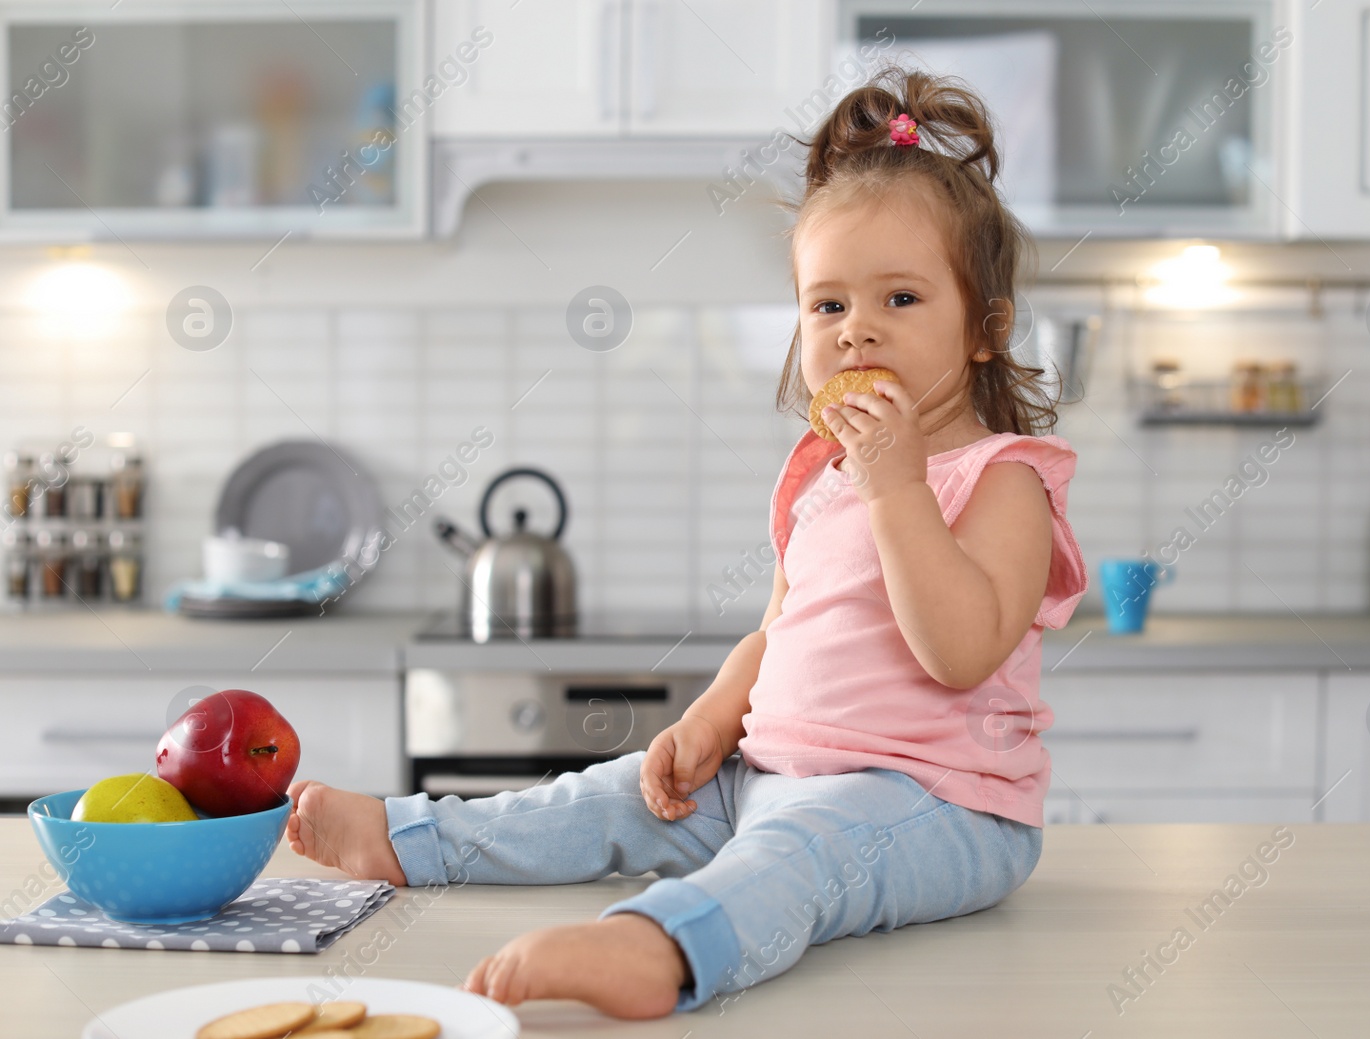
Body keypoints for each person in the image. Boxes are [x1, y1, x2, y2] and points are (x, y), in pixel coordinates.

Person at [285, 63, 1088, 1020]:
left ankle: (656, 945)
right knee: (605, 797)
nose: (856, 332)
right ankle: (410, 840)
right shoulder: (824, 477)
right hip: (772, 777)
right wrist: (712, 720)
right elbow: (775, 636)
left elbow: (960, 653)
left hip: (938, 804)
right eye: (828, 305)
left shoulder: (1003, 478)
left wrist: (901, 486)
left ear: (986, 329)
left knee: (800, 855)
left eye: (901, 301)